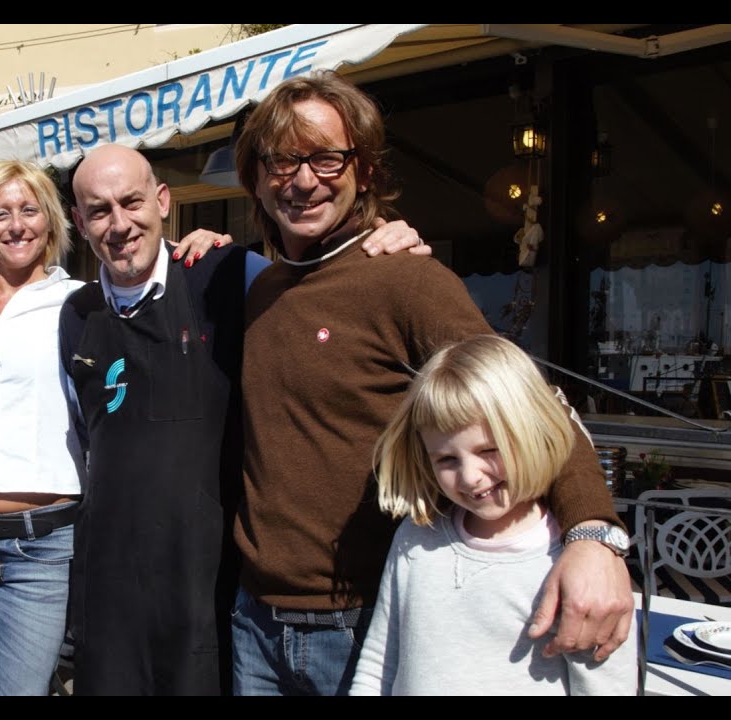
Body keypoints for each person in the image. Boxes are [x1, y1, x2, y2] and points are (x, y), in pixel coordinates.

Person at [231, 71, 633, 696]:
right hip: (252, 620)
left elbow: (530, 409)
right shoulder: (260, 291)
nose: (303, 180)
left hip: (365, 621)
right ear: (255, 176)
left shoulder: (406, 279)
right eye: (281, 161)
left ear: (363, 171)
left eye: (326, 158)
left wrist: (593, 536)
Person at [58, 143, 425, 695]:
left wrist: (385, 241)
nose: (119, 224)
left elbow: (319, 288)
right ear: (79, 222)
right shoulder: (76, 315)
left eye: (131, 202)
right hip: (111, 595)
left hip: (209, 590)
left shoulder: (227, 274)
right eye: (99, 210)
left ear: (162, 201)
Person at [0, 159, 223, 696]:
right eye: (0, 213)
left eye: (30, 210)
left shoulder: (82, 303)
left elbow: (156, 283)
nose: (17, 225)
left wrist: (200, 251)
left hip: (43, 542)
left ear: (57, 222)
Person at [350, 334, 636, 695]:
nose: (470, 477)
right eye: (447, 459)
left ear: (535, 431)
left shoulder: (575, 570)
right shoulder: (416, 537)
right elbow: (379, 662)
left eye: (489, 449)